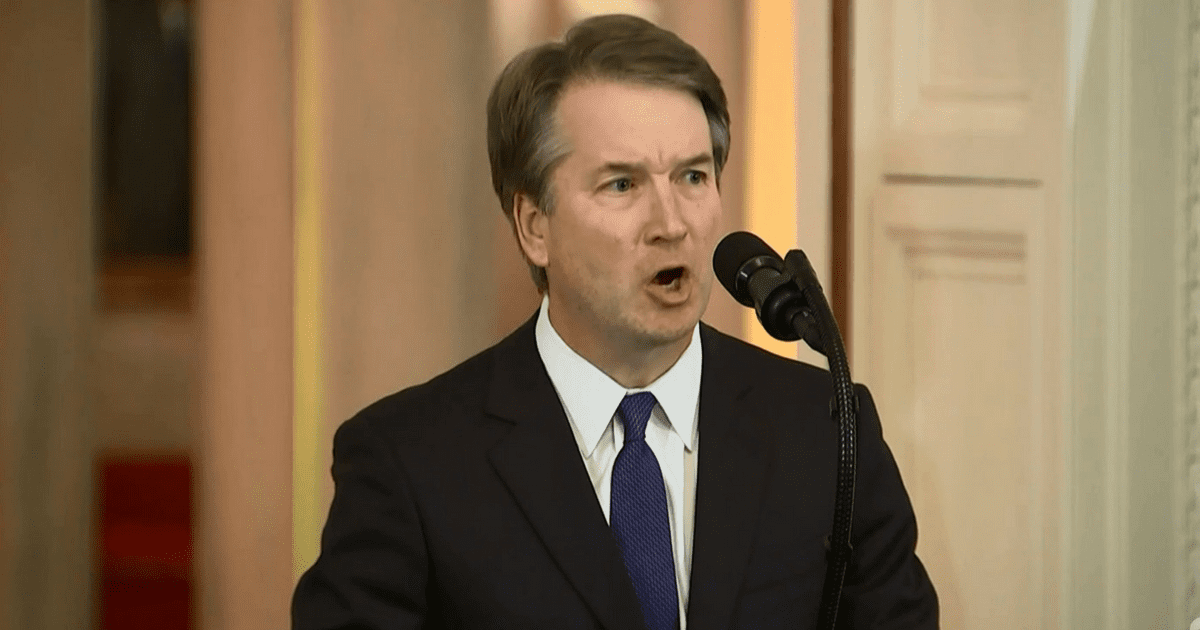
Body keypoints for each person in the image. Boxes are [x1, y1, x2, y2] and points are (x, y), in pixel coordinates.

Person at [291, 14, 938, 630]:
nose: (671, 223)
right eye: (622, 185)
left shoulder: (828, 431)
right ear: (534, 226)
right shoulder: (409, 462)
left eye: (692, 176)